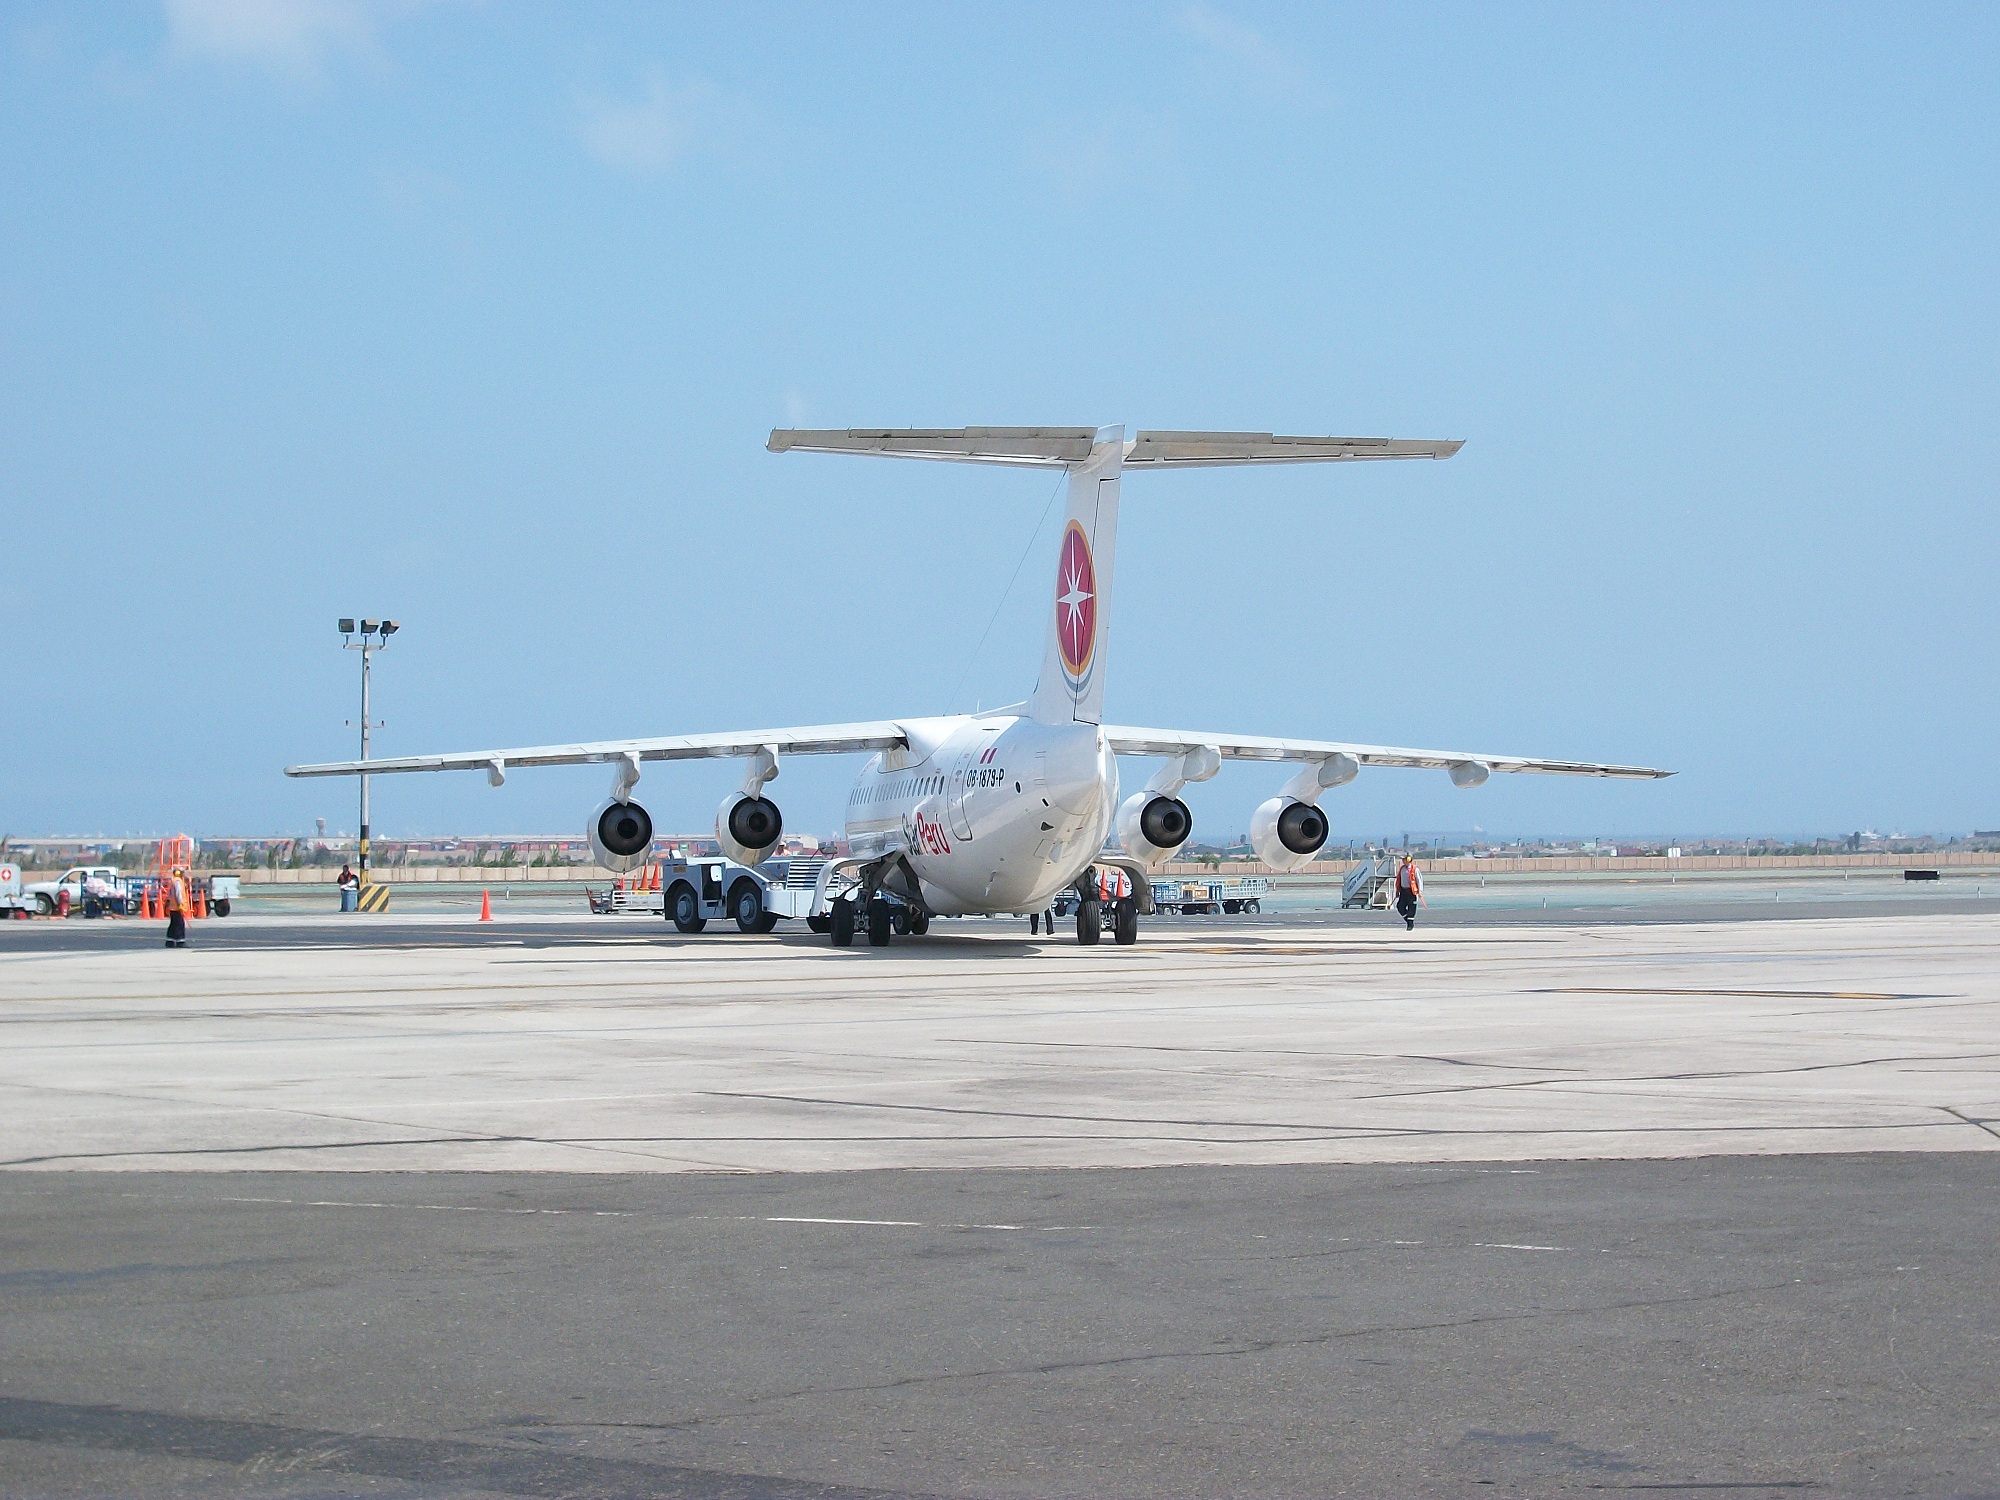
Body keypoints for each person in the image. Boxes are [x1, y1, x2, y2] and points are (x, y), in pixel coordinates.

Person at [1393, 852, 1425, 931]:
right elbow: (1399, 880)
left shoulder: (1415, 869)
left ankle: (1410, 924)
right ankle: (1408, 921)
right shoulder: (1402, 869)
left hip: (1412, 892)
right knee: (1400, 906)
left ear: (1409, 859)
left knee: (1412, 907)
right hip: (1403, 891)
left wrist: (1420, 891)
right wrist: (1397, 891)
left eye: (1404, 859)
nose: (1403, 861)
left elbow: (1419, 880)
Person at [163, 865, 190, 949]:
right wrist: (180, 904)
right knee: (179, 924)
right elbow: (178, 894)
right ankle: (180, 941)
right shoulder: (178, 881)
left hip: (173, 907)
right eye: (182, 872)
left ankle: (170, 941)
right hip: (177, 907)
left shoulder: (174, 881)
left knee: (173, 924)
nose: (183, 874)